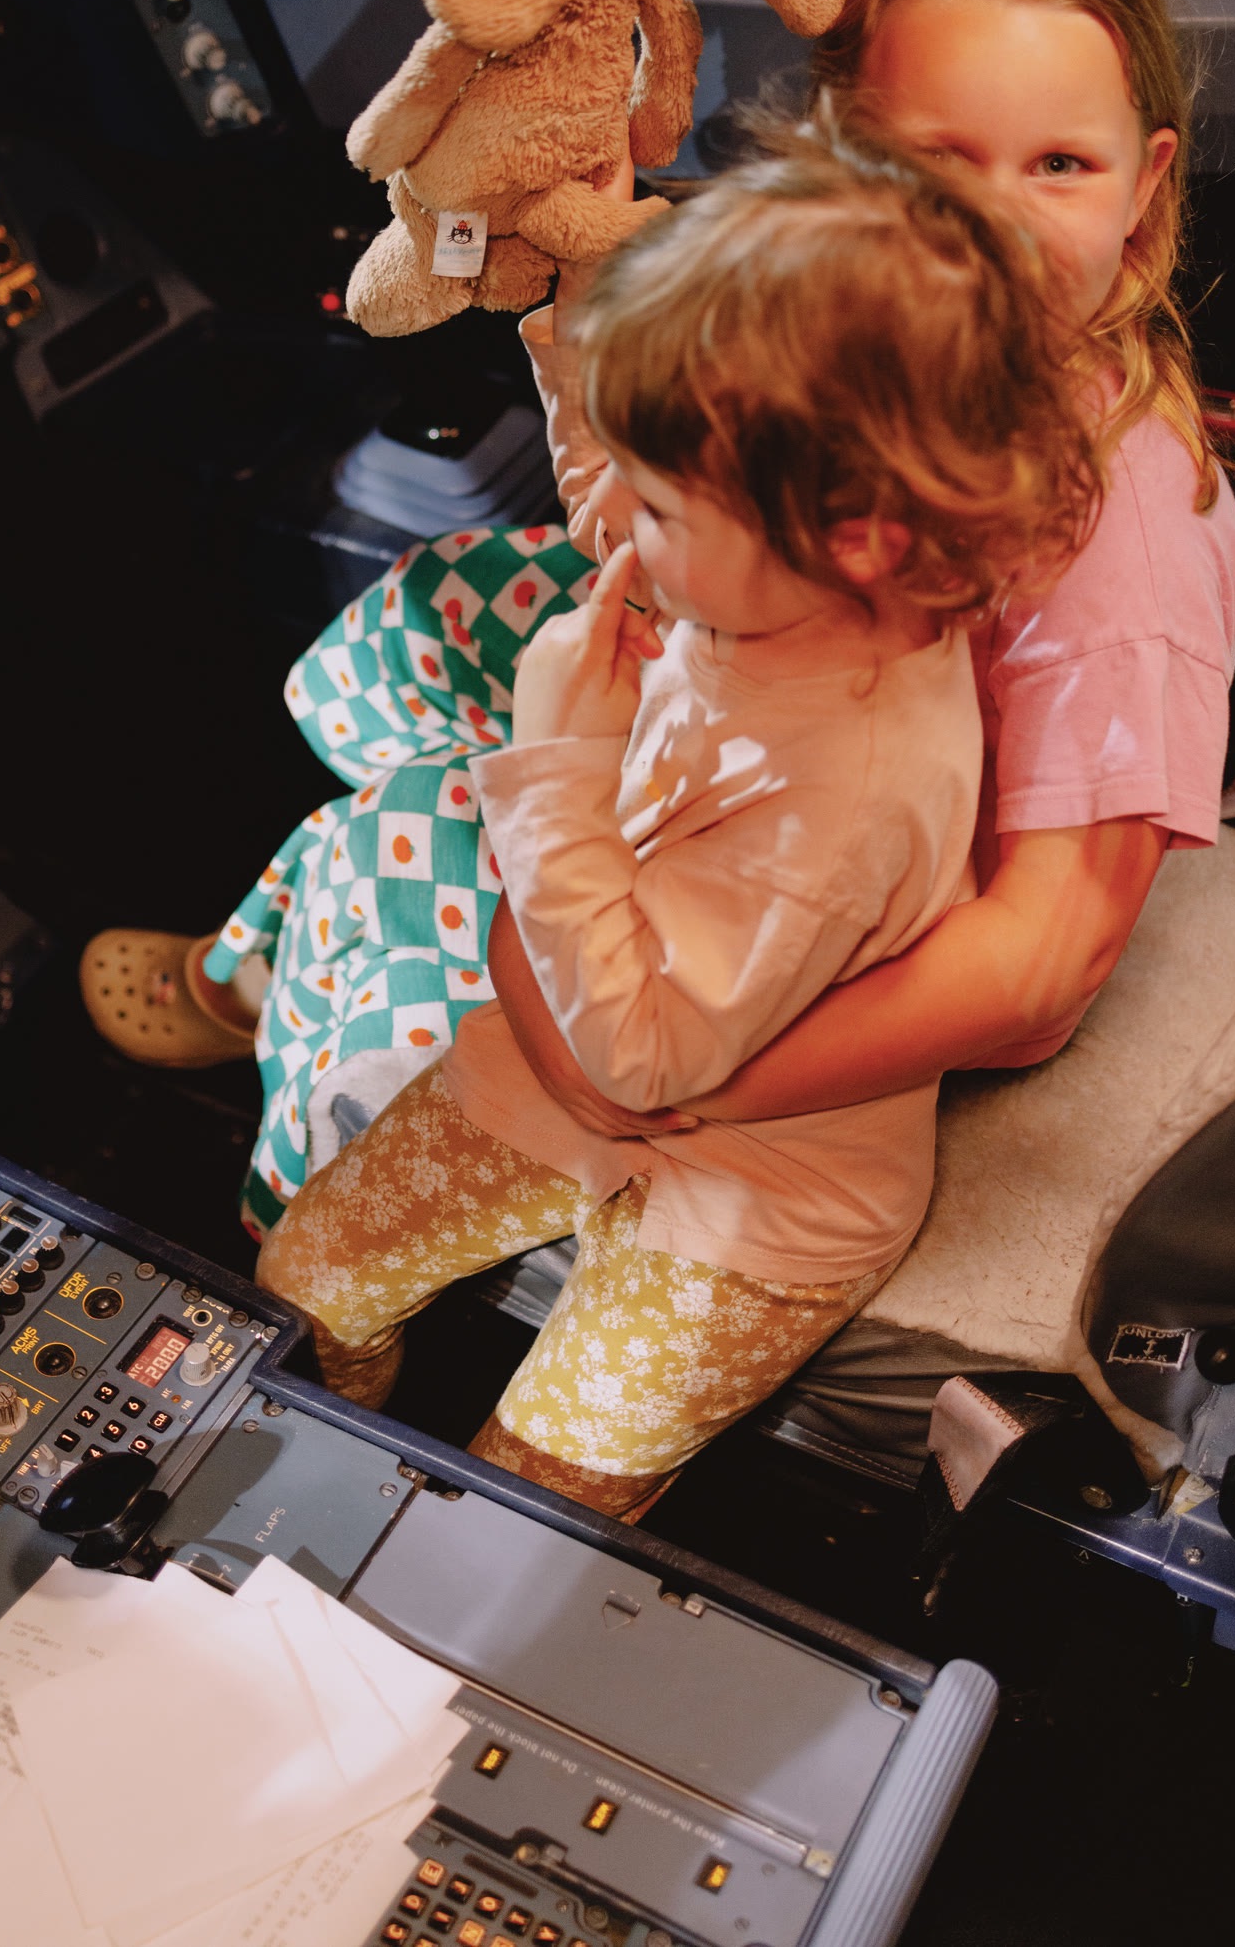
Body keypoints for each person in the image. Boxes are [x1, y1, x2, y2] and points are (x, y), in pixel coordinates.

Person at [82, 0, 1235, 1234]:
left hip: (831, 908)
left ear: (1146, 191)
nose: (988, 219)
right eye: (936, 162)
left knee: (403, 834)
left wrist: (694, 1091)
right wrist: (591, 291)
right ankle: (260, 969)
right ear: (842, 167)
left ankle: (313, 1173)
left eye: (1059, 165)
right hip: (777, 693)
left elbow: (1039, 963)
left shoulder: (1126, 546)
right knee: (432, 615)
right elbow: (671, 497)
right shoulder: (861, 327)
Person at [253, 131, 1099, 1519]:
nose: (626, 540)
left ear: (859, 534)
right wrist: (576, 321)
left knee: (527, 1492)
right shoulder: (779, 573)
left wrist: (548, 776)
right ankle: (319, 1469)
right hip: (580, 1046)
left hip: (755, 1200)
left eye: (664, 507)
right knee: (309, 1278)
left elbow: (636, 1058)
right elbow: (632, 489)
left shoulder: (849, 787)